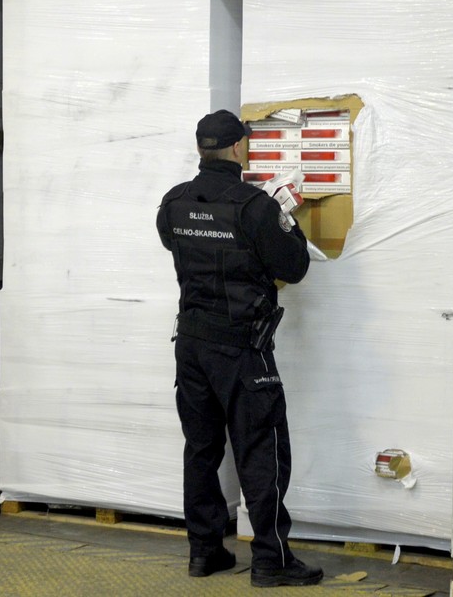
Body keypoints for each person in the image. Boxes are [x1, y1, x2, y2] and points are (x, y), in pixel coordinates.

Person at [156, 109, 322, 588]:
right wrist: (285, 218)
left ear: (200, 149)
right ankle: (271, 560)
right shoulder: (255, 207)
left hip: (191, 346)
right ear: (238, 148)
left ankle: (205, 551)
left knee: (201, 449)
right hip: (242, 350)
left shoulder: (173, 202)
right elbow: (294, 268)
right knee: (261, 450)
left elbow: (174, 243)